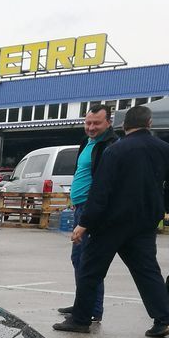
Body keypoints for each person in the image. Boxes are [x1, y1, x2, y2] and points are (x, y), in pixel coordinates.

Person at [53, 105, 169, 338]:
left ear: (123, 126)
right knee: (147, 272)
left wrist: (85, 222)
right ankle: (163, 320)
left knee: (90, 270)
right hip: (144, 223)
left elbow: (101, 190)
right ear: (150, 123)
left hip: (110, 223)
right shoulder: (168, 150)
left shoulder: (115, 150)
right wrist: (166, 207)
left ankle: (81, 319)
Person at [56, 104, 118, 322]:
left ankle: (92, 308)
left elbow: (104, 183)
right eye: (88, 122)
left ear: (108, 123)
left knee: (89, 261)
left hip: (92, 209)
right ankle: (82, 303)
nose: (91, 127)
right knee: (79, 258)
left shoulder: (110, 146)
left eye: (96, 123)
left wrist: (91, 212)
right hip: (80, 207)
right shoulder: (87, 143)